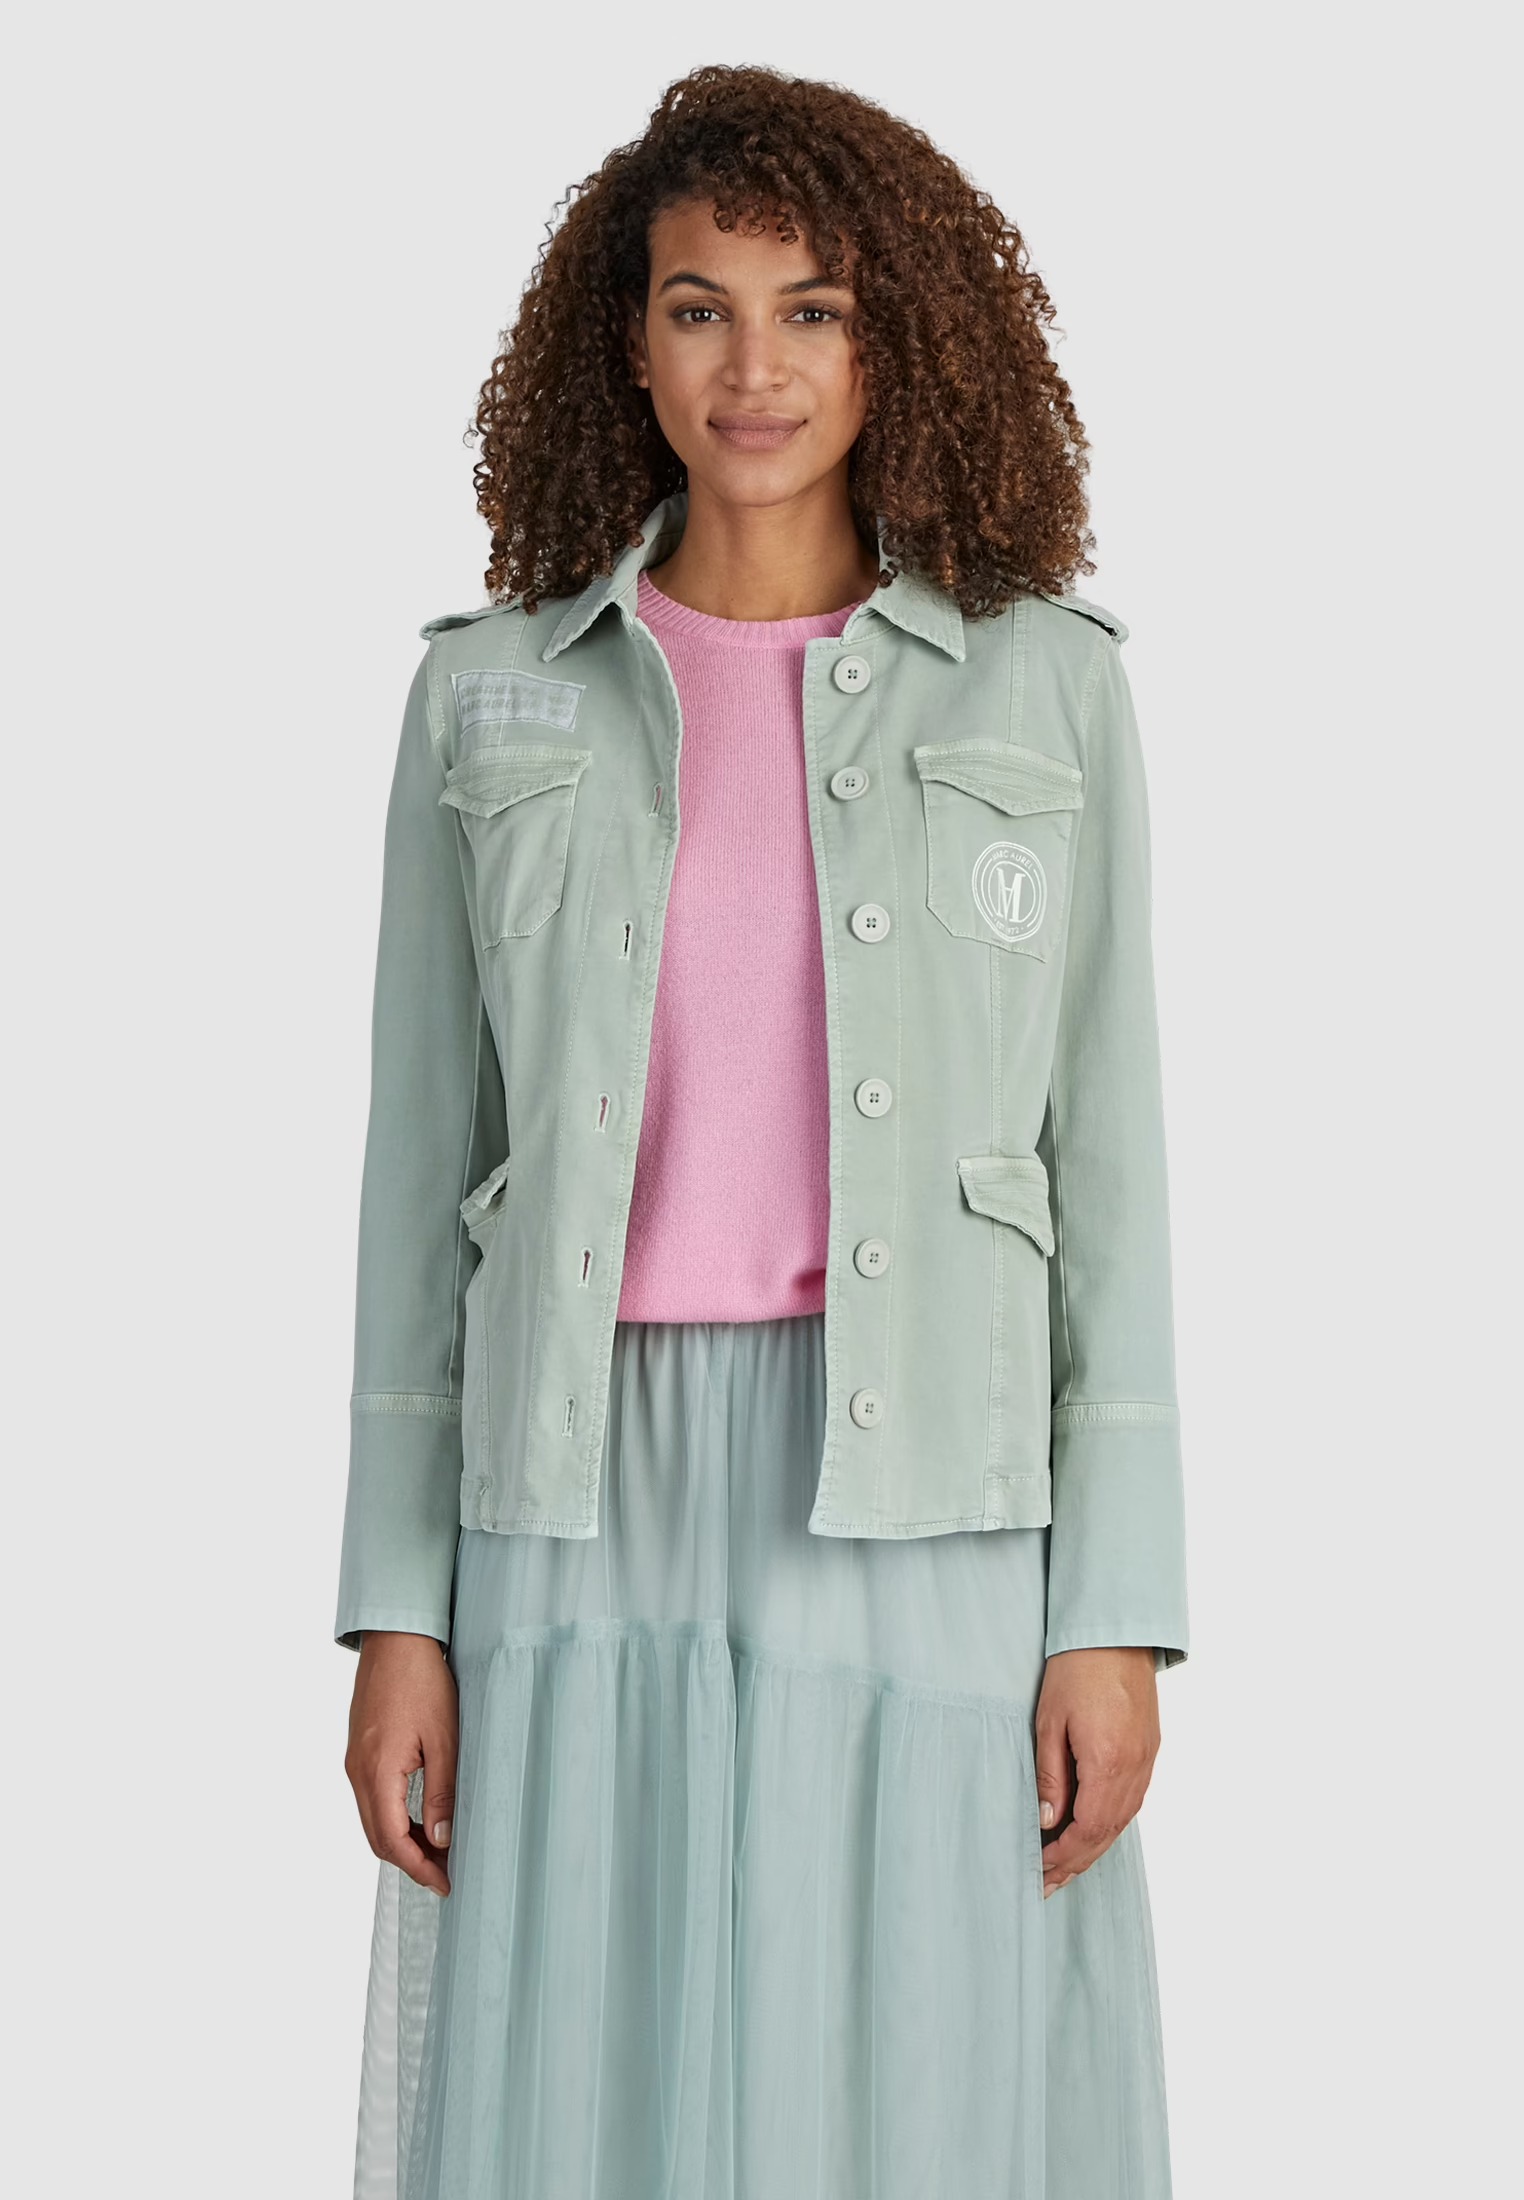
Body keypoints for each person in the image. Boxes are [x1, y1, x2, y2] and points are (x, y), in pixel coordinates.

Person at [337, 62, 1188, 2200]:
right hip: (574, 1483)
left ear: (899, 339)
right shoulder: (489, 693)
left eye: (815, 309)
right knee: (594, 2075)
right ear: (626, 342)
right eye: (701, 306)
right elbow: (417, 1177)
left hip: (924, 1483)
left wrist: (1117, 1603)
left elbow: (1114, 1170)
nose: (756, 367)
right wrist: (393, 1606)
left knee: (900, 2074)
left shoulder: (1046, 690)